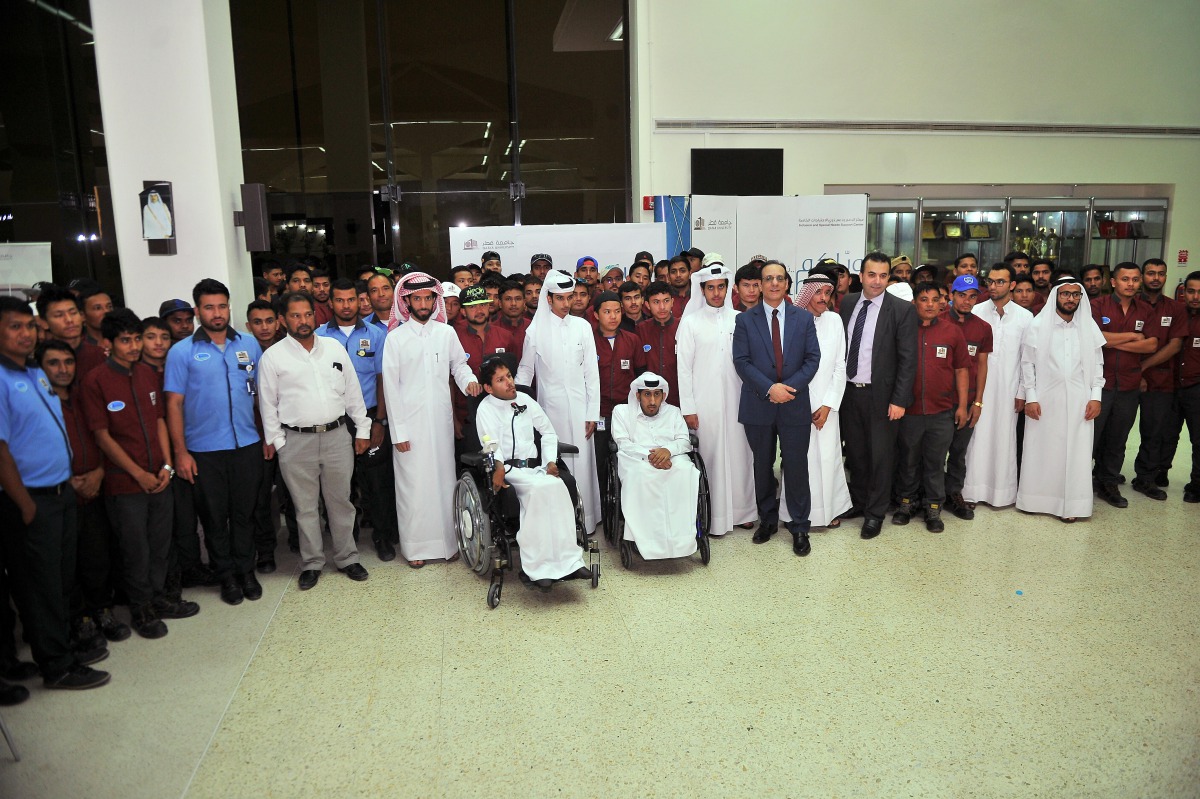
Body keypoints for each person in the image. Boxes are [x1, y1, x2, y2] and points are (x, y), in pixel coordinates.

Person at [0, 296, 111, 690]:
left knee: (60, 581)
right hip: (32, 500)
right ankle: (57, 666)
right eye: (15, 326)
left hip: (61, 494)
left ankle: (62, 648)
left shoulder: (33, 373)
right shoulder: (1, 379)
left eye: (28, 326)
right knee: (41, 586)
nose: (25, 333)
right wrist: (26, 506)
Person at [81, 310, 199, 637]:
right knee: (136, 550)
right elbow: (102, 436)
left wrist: (165, 465)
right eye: (126, 340)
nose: (133, 346)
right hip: (125, 483)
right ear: (108, 344)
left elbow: (160, 420)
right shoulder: (96, 381)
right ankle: (141, 609)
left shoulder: (147, 375)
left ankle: (160, 599)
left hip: (160, 475)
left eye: (136, 339)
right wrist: (138, 474)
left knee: (160, 544)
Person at [258, 293, 371, 590]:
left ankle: (347, 557)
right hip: (296, 442)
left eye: (307, 314)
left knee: (342, 502)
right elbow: (267, 405)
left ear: (314, 316)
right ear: (283, 320)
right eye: (295, 316)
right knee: (305, 507)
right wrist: (279, 443)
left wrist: (362, 429)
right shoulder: (273, 357)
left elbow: (352, 392)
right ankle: (312, 562)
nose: (303, 321)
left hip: (336, 437)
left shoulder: (333, 347)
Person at [164, 279, 265, 606]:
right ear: (197, 311)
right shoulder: (181, 352)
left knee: (244, 514)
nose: (217, 313)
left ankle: (246, 570)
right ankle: (226, 576)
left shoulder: (249, 345)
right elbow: (173, 405)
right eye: (209, 307)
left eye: (222, 306)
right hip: (204, 451)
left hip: (247, 445)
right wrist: (180, 453)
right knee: (213, 517)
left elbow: (261, 395)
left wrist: (267, 437)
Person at [381, 273, 480, 567]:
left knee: (444, 482)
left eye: (428, 298)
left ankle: (449, 544)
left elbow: (459, 367)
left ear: (435, 300)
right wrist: (398, 432)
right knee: (412, 486)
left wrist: (470, 382)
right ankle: (415, 549)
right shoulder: (395, 339)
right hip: (409, 427)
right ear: (406, 302)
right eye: (417, 299)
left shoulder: (446, 333)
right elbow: (390, 387)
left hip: (440, 423)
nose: (423, 304)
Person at [37, 340, 129, 652]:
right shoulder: (38, 401)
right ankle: (78, 620)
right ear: (41, 367)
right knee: (66, 563)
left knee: (96, 555)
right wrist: (68, 480)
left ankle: (102, 610)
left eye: (67, 362)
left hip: (95, 485)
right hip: (59, 491)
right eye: (53, 363)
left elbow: (103, 436)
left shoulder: (82, 397)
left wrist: (100, 472)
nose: (62, 369)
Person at [733, 260, 822, 556]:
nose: (773, 283)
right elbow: (741, 361)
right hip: (759, 404)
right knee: (762, 465)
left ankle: (799, 526)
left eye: (779, 279)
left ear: (787, 284)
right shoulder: (745, 320)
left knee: (796, 466)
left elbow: (812, 359)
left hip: (794, 405)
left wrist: (788, 389)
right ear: (759, 284)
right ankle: (768, 520)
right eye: (767, 279)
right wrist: (770, 388)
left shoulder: (803, 319)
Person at [476, 357, 590, 587]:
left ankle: (571, 562)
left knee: (557, 486)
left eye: (509, 376)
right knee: (541, 490)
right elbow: (489, 444)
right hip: (509, 469)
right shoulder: (485, 409)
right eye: (501, 379)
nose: (509, 382)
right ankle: (536, 569)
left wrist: (549, 461)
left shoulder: (526, 400)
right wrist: (498, 466)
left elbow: (548, 433)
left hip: (534, 468)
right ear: (488, 388)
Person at [839, 252, 919, 539]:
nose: (877, 281)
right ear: (861, 276)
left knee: (881, 458)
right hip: (849, 394)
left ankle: (875, 513)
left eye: (883, 275)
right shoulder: (847, 303)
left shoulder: (901, 310)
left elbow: (909, 360)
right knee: (857, 455)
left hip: (883, 397)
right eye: (871, 275)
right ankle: (860, 503)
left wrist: (899, 400)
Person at [516, 269, 602, 532]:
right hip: (548, 411)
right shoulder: (535, 332)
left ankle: (585, 521)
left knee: (583, 466)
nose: (567, 303)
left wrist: (592, 413)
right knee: (555, 464)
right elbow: (525, 372)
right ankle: (560, 523)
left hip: (580, 410)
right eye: (561, 298)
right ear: (549, 299)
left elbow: (591, 373)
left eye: (570, 297)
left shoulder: (583, 327)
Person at [318, 279, 397, 561]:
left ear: (358, 300)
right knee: (340, 486)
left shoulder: (377, 335)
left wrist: (380, 422)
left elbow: (382, 379)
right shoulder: (319, 337)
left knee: (377, 483)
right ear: (331, 303)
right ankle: (345, 542)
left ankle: (383, 537)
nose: (346, 305)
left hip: (370, 416)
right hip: (335, 422)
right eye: (339, 300)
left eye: (351, 299)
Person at [676, 258, 756, 536]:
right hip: (704, 402)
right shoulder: (690, 323)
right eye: (711, 288)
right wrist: (688, 407)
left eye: (721, 287)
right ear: (703, 289)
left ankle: (744, 511)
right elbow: (683, 369)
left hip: (737, 399)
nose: (717, 293)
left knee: (740, 454)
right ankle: (713, 516)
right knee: (710, 457)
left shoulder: (740, 319)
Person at [1016, 279, 1106, 522]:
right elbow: (1027, 364)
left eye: (1075, 295)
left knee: (1075, 453)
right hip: (1044, 399)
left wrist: (1095, 397)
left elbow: (1098, 365)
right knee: (1042, 450)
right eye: (1065, 294)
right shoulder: (1038, 325)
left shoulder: (1088, 327)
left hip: (1080, 400)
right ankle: (1035, 500)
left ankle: (1072, 506)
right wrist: (1030, 398)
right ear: (1056, 296)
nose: (1070, 299)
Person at [892, 284, 970, 533]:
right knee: (908, 460)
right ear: (914, 303)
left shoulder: (952, 332)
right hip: (909, 412)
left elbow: (961, 370)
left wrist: (963, 405)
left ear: (942, 303)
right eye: (923, 299)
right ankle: (906, 503)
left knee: (936, 462)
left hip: (942, 412)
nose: (929, 304)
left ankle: (934, 507)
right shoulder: (904, 331)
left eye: (934, 299)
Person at [962, 263, 1032, 509]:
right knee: (975, 439)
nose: (993, 286)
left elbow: (1027, 359)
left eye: (1000, 282)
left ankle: (1001, 495)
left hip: (1009, 390)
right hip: (978, 390)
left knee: (1004, 439)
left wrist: (1022, 391)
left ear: (1012, 285)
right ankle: (970, 492)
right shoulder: (977, 311)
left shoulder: (1026, 317)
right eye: (990, 281)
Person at [787, 270, 852, 529]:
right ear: (806, 293)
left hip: (828, 404)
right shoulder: (792, 321)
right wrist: (804, 403)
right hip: (798, 403)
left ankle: (829, 510)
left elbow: (839, 366)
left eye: (827, 292)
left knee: (826, 458)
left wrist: (827, 405)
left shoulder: (835, 321)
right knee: (799, 460)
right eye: (818, 292)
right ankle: (796, 512)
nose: (823, 298)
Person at [611, 373, 701, 559]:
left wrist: (667, 450)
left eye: (657, 395)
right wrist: (651, 456)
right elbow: (623, 443)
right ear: (637, 395)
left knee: (686, 471)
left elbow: (685, 441)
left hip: (672, 457)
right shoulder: (621, 412)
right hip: (636, 460)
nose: (652, 401)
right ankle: (643, 540)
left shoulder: (674, 412)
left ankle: (682, 540)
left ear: (663, 396)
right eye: (647, 395)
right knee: (641, 476)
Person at [1091, 262, 1158, 508]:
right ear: (1113, 282)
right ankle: (1080, 481)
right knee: (1091, 436)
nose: (1130, 284)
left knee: (1118, 437)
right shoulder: (1098, 305)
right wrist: (1131, 336)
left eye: (1135, 279)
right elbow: (1094, 338)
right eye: (1125, 279)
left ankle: (1108, 482)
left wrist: (1110, 341)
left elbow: (1151, 345)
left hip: (1129, 384)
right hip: (1100, 383)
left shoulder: (1145, 309)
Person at [1131, 258, 1187, 498]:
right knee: (1116, 430)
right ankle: (1105, 474)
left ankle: (1145, 478)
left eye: (1161, 274)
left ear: (1166, 277)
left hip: (1161, 380)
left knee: (1154, 432)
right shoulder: (1131, 304)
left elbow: (1175, 345)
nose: (1156, 278)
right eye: (1151, 273)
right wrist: (1136, 372)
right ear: (1143, 276)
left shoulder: (1175, 308)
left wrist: (1142, 368)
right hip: (1126, 378)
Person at [940, 275, 992, 520]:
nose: (967, 301)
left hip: (968, 401)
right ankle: (931, 497)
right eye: (962, 295)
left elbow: (982, 367)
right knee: (933, 453)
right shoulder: (937, 321)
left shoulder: (982, 328)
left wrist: (978, 403)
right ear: (951, 295)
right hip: (938, 401)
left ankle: (954, 494)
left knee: (958, 453)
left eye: (973, 296)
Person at [592, 291, 645, 500]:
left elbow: (640, 375)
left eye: (616, 311)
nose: (613, 316)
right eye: (607, 312)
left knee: (627, 460)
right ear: (596, 315)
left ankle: (628, 504)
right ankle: (603, 506)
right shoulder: (589, 340)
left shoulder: (632, 340)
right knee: (600, 461)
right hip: (599, 413)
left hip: (626, 412)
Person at [453, 285, 516, 444]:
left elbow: (515, 375)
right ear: (462, 311)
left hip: (504, 415)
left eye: (482, 305)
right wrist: (453, 419)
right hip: (467, 417)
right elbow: (448, 381)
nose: (479, 310)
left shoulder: (506, 336)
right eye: (472, 307)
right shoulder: (454, 337)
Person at [37, 284, 106, 380]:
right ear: (44, 322)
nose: (69, 320)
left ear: (82, 316)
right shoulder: (39, 361)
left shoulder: (100, 356)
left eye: (73, 313)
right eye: (59, 315)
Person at [1176, 271, 1200, 503]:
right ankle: (1156, 473)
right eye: (1191, 291)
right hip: (1172, 385)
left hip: (1197, 387)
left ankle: (1197, 483)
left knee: (1198, 439)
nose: (1195, 296)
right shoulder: (1175, 313)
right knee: (1165, 433)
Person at [637, 281, 681, 407]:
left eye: (666, 301)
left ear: (673, 302)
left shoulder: (683, 327)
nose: (662, 307)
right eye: (656, 302)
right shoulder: (641, 329)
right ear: (647, 305)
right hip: (649, 401)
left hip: (678, 398)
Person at [496, 280, 528, 359]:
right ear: (500, 303)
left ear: (524, 303)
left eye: (518, 299)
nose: (513, 303)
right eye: (508, 299)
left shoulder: (534, 328)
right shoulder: (490, 330)